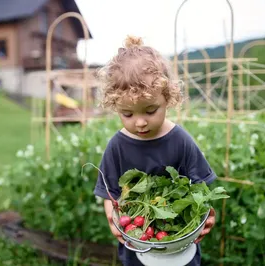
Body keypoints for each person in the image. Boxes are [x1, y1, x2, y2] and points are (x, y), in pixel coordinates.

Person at [93, 35, 217, 266]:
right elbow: (110, 194)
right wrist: (114, 219)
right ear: (115, 107)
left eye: (150, 111)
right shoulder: (117, 147)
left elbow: (202, 191)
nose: (140, 122)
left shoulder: (180, 140)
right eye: (127, 114)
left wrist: (206, 215)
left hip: (179, 240)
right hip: (138, 241)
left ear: (168, 98)